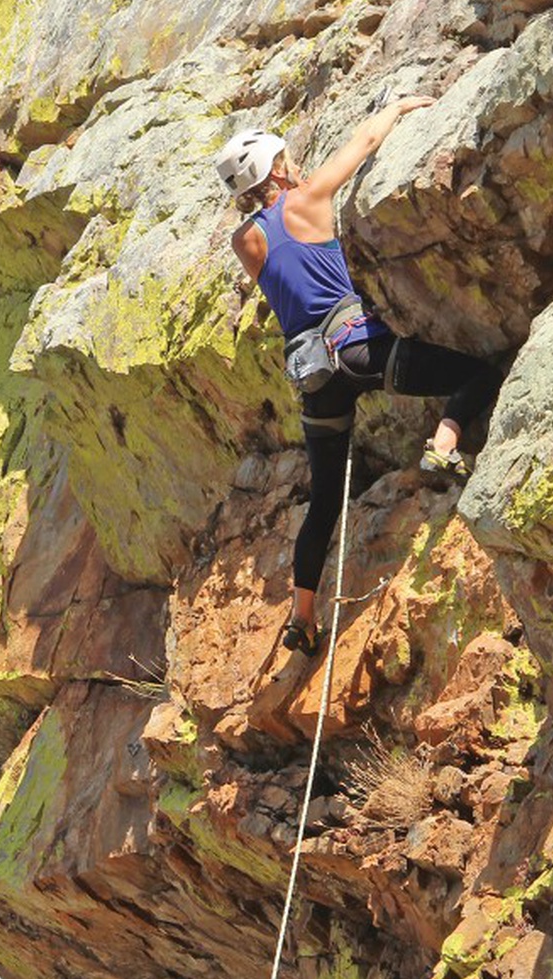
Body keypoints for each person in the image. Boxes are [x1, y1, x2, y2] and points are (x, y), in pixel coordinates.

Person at [216, 102, 504, 658]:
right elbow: (365, 142)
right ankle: (444, 444)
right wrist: (399, 105)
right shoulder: (308, 198)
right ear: (276, 169)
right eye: (285, 158)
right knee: (477, 375)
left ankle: (302, 615)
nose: (294, 163)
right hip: (361, 348)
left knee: (325, 499)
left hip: (316, 379)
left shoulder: (243, 241)